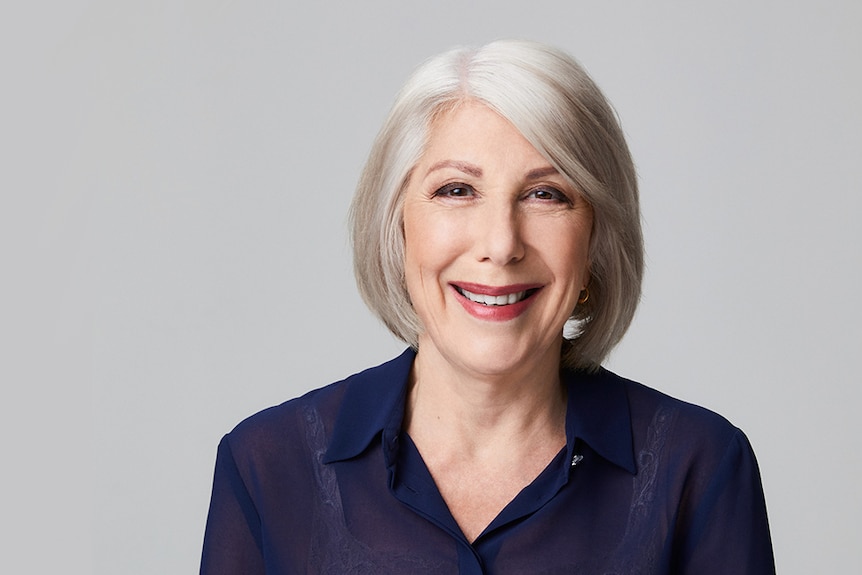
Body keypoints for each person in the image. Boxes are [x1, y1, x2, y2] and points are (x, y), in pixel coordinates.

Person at [200, 40, 775, 574]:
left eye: (546, 194)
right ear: (398, 229)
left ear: (596, 240)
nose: (500, 245)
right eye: (457, 190)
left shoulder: (698, 469)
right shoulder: (267, 468)